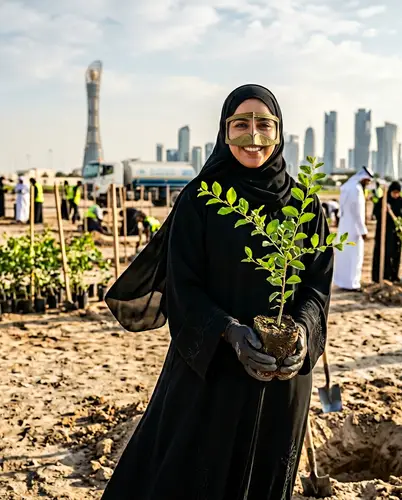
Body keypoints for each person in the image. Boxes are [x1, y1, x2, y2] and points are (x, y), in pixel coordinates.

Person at [102, 84, 333, 500]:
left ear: (279, 132)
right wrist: (229, 333)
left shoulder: (305, 207)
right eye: (241, 124)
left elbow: (316, 287)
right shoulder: (201, 200)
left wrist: (301, 331)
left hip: (281, 378)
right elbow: (183, 287)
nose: (254, 136)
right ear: (225, 133)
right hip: (212, 370)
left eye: (264, 124)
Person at [333, 167, 373, 291]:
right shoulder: (356, 190)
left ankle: (343, 282)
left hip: (345, 226)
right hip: (354, 229)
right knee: (354, 257)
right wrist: (363, 230)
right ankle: (352, 284)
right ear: (364, 179)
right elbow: (358, 213)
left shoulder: (347, 187)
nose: (368, 184)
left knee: (344, 255)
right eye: (367, 181)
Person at [372, 181, 402, 283]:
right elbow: (375, 214)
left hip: (396, 233)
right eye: (394, 192)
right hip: (384, 232)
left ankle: (393, 275)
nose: (396, 195)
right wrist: (384, 210)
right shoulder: (383, 201)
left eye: (398, 192)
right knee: (383, 254)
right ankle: (381, 276)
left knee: (395, 254)